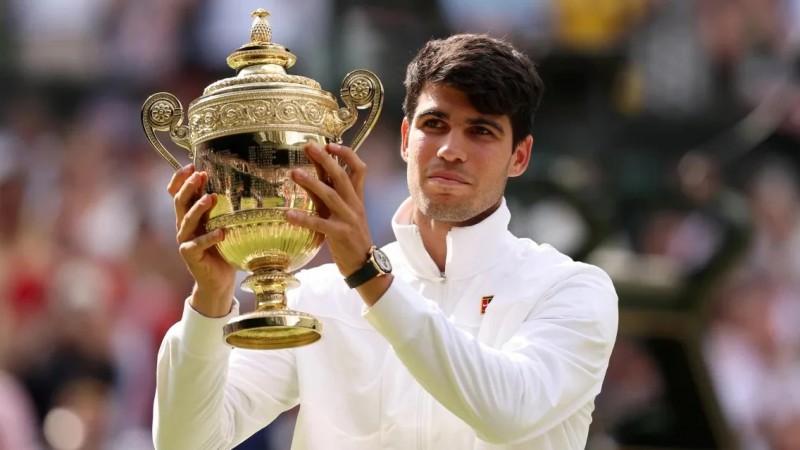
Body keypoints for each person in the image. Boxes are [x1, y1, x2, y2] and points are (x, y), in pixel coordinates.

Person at [154, 33, 618, 450]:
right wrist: (210, 301)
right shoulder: (318, 298)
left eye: (480, 131)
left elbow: (508, 414)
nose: (449, 149)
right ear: (404, 138)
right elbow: (185, 443)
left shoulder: (571, 290)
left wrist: (367, 275)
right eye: (434, 124)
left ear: (520, 156)